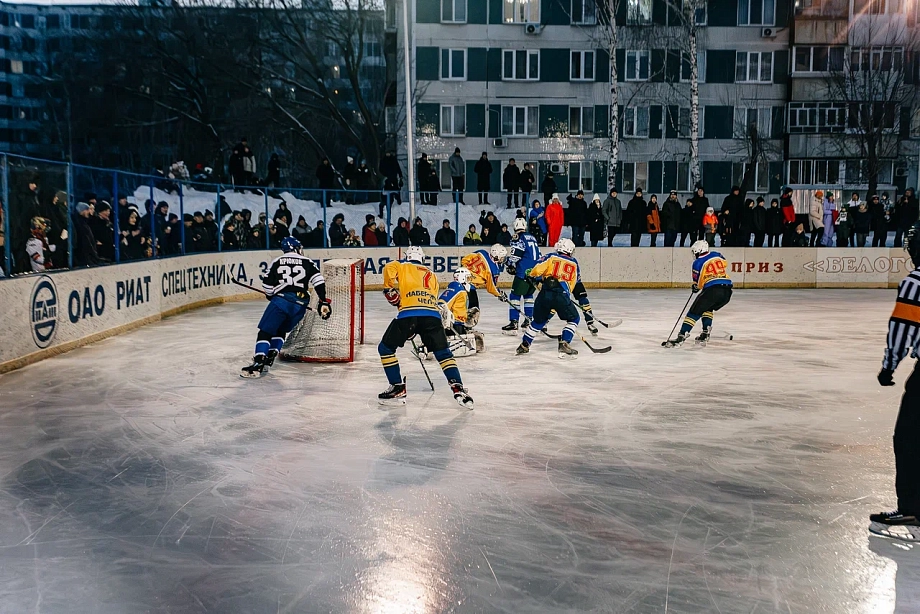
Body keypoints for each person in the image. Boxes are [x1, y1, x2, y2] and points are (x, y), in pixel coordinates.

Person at [378, 245, 474, 408]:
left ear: (407, 257)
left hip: (408, 315)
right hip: (432, 316)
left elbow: (388, 268)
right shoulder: (431, 274)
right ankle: (458, 388)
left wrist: (389, 289)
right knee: (444, 354)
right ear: (422, 259)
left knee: (385, 348)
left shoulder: (402, 265)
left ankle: (397, 388)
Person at [871, 221, 920, 539]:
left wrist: (888, 367)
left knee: (909, 439)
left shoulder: (916, 283)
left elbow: (902, 330)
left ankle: (913, 509)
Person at [241, 237, 331, 377]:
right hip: (300, 304)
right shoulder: (307, 262)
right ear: (296, 248)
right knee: (281, 330)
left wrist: (272, 296)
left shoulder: (277, 261)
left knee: (265, 332)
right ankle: (270, 357)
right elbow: (318, 280)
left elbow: (267, 284)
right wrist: (323, 301)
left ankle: (259, 363)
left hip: (281, 302)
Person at [515, 238, 593, 359]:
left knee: (538, 322)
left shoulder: (551, 256)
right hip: (562, 295)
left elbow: (536, 270)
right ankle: (565, 342)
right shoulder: (574, 263)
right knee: (574, 319)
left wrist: (532, 275)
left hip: (545, 293)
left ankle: (525, 344)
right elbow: (573, 283)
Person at [663, 240, 733, 347]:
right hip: (727, 291)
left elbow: (698, 282)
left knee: (693, 313)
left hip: (713, 289)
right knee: (707, 308)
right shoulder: (717, 255)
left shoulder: (697, 262)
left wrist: (696, 286)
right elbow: (724, 262)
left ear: (698, 251)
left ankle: (681, 336)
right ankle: (705, 332)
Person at [503, 217, 541, 333]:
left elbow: (516, 256)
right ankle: (529, 319)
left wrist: (507, 262)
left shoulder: (517, 237)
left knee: (514, 296)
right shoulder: (532, 237)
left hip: (523, 272)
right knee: (528, 296)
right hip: (535, 271)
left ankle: (514, 322)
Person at [72, 202, 100, 267]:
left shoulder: (84, 222)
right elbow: (85, 240)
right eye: (87, 210)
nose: (89, 212)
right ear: (83, 211)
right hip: (84, 256)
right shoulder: (80, 224)